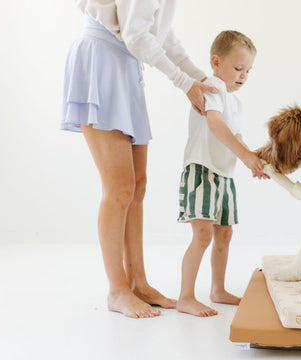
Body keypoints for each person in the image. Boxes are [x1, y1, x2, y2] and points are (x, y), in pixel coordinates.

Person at [60, 0, 218, 318]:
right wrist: (186, 84)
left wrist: (204, 80)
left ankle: (138, 282)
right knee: (119, 188)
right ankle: (117, 290)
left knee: (138, 186)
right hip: (101, 62)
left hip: (125, 66)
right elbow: (136, 35)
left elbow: (163, 36)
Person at [176, 31, 268, 317]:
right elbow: (215, 125)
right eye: (238, 68)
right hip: (202, 169)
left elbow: (237, 136)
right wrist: (244, 155)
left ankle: (218, 289)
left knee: (224, 234)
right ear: (216, 62)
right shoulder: (212, 87)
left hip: (224, 175)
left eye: (248, 70)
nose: (243, 76)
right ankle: (186, 297)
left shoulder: (235, 103)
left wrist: (253, 159)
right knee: (202, 234)